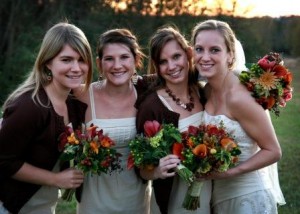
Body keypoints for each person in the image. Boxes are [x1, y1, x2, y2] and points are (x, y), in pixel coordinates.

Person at [190, 19, 285, 214]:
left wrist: (228, 173)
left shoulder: (240, 97)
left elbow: (273, 151)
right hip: (219, 198)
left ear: (230, 55)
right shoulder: (207, 90)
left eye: (214, 50)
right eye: (199, 49)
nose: (204, 57)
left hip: (248, 197)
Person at [0, 22, 93, 214]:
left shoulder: (73, 103)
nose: (76, 68)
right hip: (10, 205)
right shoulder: (30, 106)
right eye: (66, 60)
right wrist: (56, 179)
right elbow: (3, 161)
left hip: (43, 206)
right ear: (48, 62)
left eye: (81, 59)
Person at [135, 25, 211, 214]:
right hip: (172, 201)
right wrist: (156, 171)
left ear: (188, 54)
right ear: (157, 66)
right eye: (163, 61)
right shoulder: (151, 106)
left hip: (210, 194)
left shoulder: (202, 91)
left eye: (176, 56)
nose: (171, 67)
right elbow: (141, 168)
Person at [75, 28, 151, 214]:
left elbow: (183, 76)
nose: (117, 65)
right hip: (93, 199)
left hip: (135, 198)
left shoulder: (147, 92)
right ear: (99, 64)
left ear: (136, 60)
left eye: (124, 57)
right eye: (109, 59)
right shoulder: (82, 94)